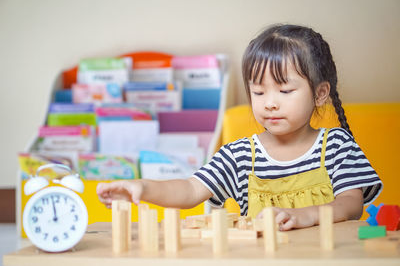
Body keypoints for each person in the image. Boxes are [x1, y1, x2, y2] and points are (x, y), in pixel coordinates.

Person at [97, 24, 382, 231]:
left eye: (284, 91)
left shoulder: (336, 145)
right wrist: (143, 187)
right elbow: (189, 190)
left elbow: (350, 204)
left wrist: (305, 216)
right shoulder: (240, 155)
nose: (270, 103)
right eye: (258, 92)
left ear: (320, 94)